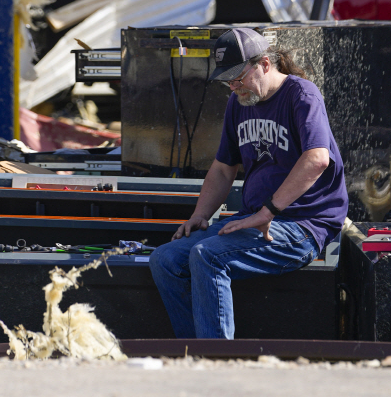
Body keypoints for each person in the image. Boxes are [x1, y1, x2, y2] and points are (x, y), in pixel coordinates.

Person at [148, 27, 348, 339]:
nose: (232, 86)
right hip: (256, 218)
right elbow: (223, 168)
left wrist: (267, 212)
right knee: (165, 258)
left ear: (265, 64)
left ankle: (217, 362)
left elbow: (317, 159)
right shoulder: (239, 103)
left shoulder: (302, 95)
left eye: (238, 77)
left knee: (208, 256)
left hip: (303, 225)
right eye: (227, 80)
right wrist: (200, 215)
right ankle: (192, 355)